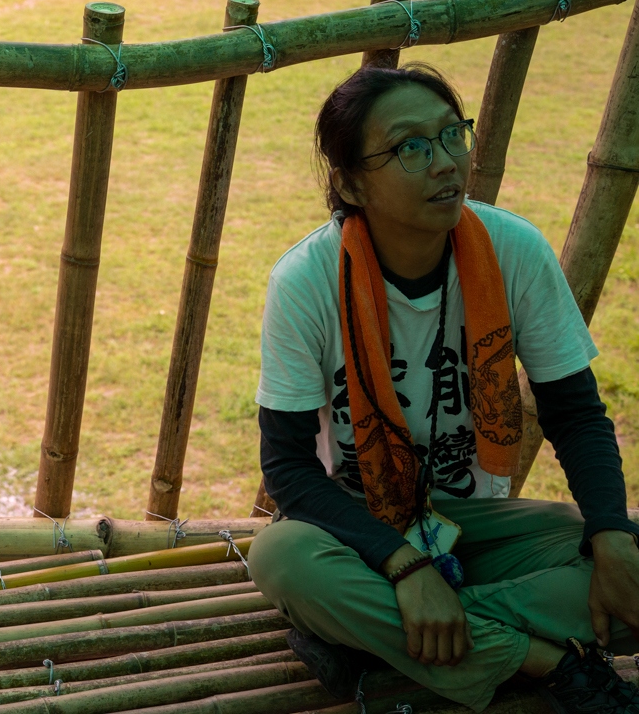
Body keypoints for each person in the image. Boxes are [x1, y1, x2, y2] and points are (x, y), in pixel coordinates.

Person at [248, 63, 639, 713]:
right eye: (410, 147)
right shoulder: (305, 282)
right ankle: (540, 660)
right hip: (356, 535)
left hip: (469, 522)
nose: (445, 163)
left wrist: (610, 536)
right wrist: (403, 566)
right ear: (349, 183)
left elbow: (575, 413)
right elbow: (288, 468)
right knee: (282, 554)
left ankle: (369, 636)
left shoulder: (514, 250)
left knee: (627, 557)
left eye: (452, 134)